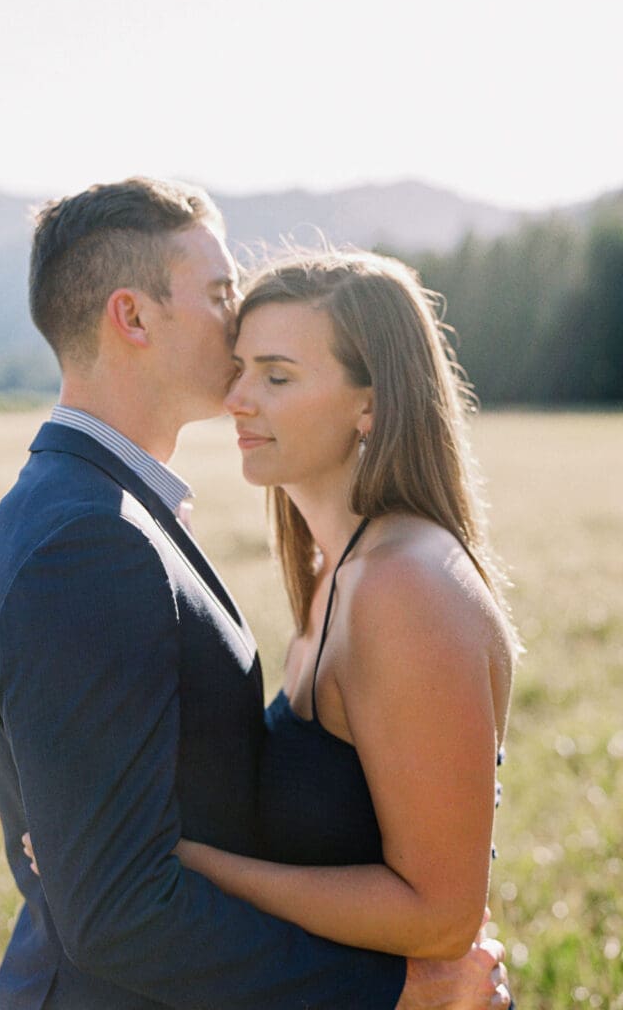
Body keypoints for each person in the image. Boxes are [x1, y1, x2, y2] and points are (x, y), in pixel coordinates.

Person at [0, 176, 510, 1008]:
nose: (235, 331)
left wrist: (186, 854)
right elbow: (118, 909)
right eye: (220, 294)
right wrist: (395, 992)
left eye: (279, 373)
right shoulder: (90, 535)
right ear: (134, 317)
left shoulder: (103, 510)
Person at [167, 251, 518, 966]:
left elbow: (443, 917)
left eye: (277, 375)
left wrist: (189, 869)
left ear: (371, 402)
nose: (238, 398)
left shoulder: (405, 589)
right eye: (239, 369)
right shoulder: (338, 566)